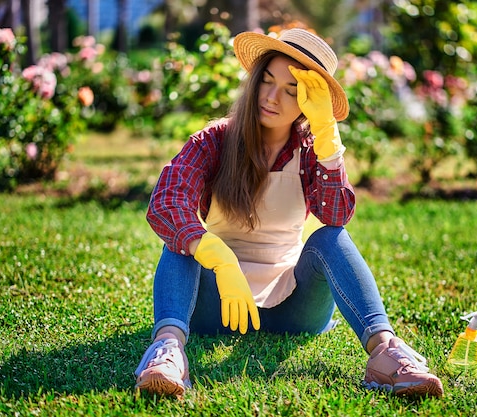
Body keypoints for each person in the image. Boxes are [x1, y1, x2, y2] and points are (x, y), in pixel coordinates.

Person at [134, 28, 444, 399]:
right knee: (181, 242)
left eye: (292, 90)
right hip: (214, 305)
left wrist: (326, 133)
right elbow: (166, 203)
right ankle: (168, 352)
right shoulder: (215, 140)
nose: (271, 97)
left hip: (293, 310)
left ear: (309, 101)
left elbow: (336, 214)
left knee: (330, 237)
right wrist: (220, 259)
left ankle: (385, 352)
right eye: (266, 81)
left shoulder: (313, 149)